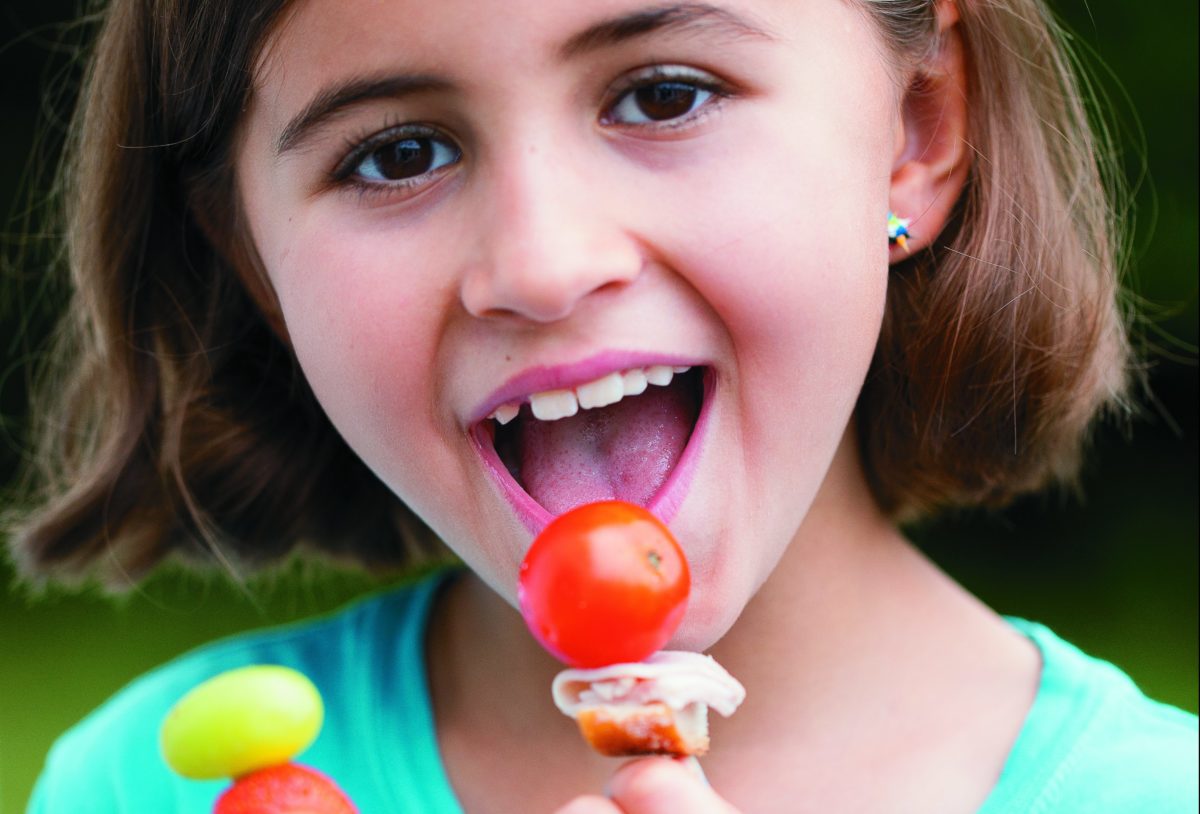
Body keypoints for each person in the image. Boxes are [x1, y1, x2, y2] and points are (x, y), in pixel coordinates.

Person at [9, 0, 1196, 811]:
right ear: (258, 266)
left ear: (916, 131)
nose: (542, 261)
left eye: (664, 94)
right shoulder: (142, 786)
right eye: (398, 154)